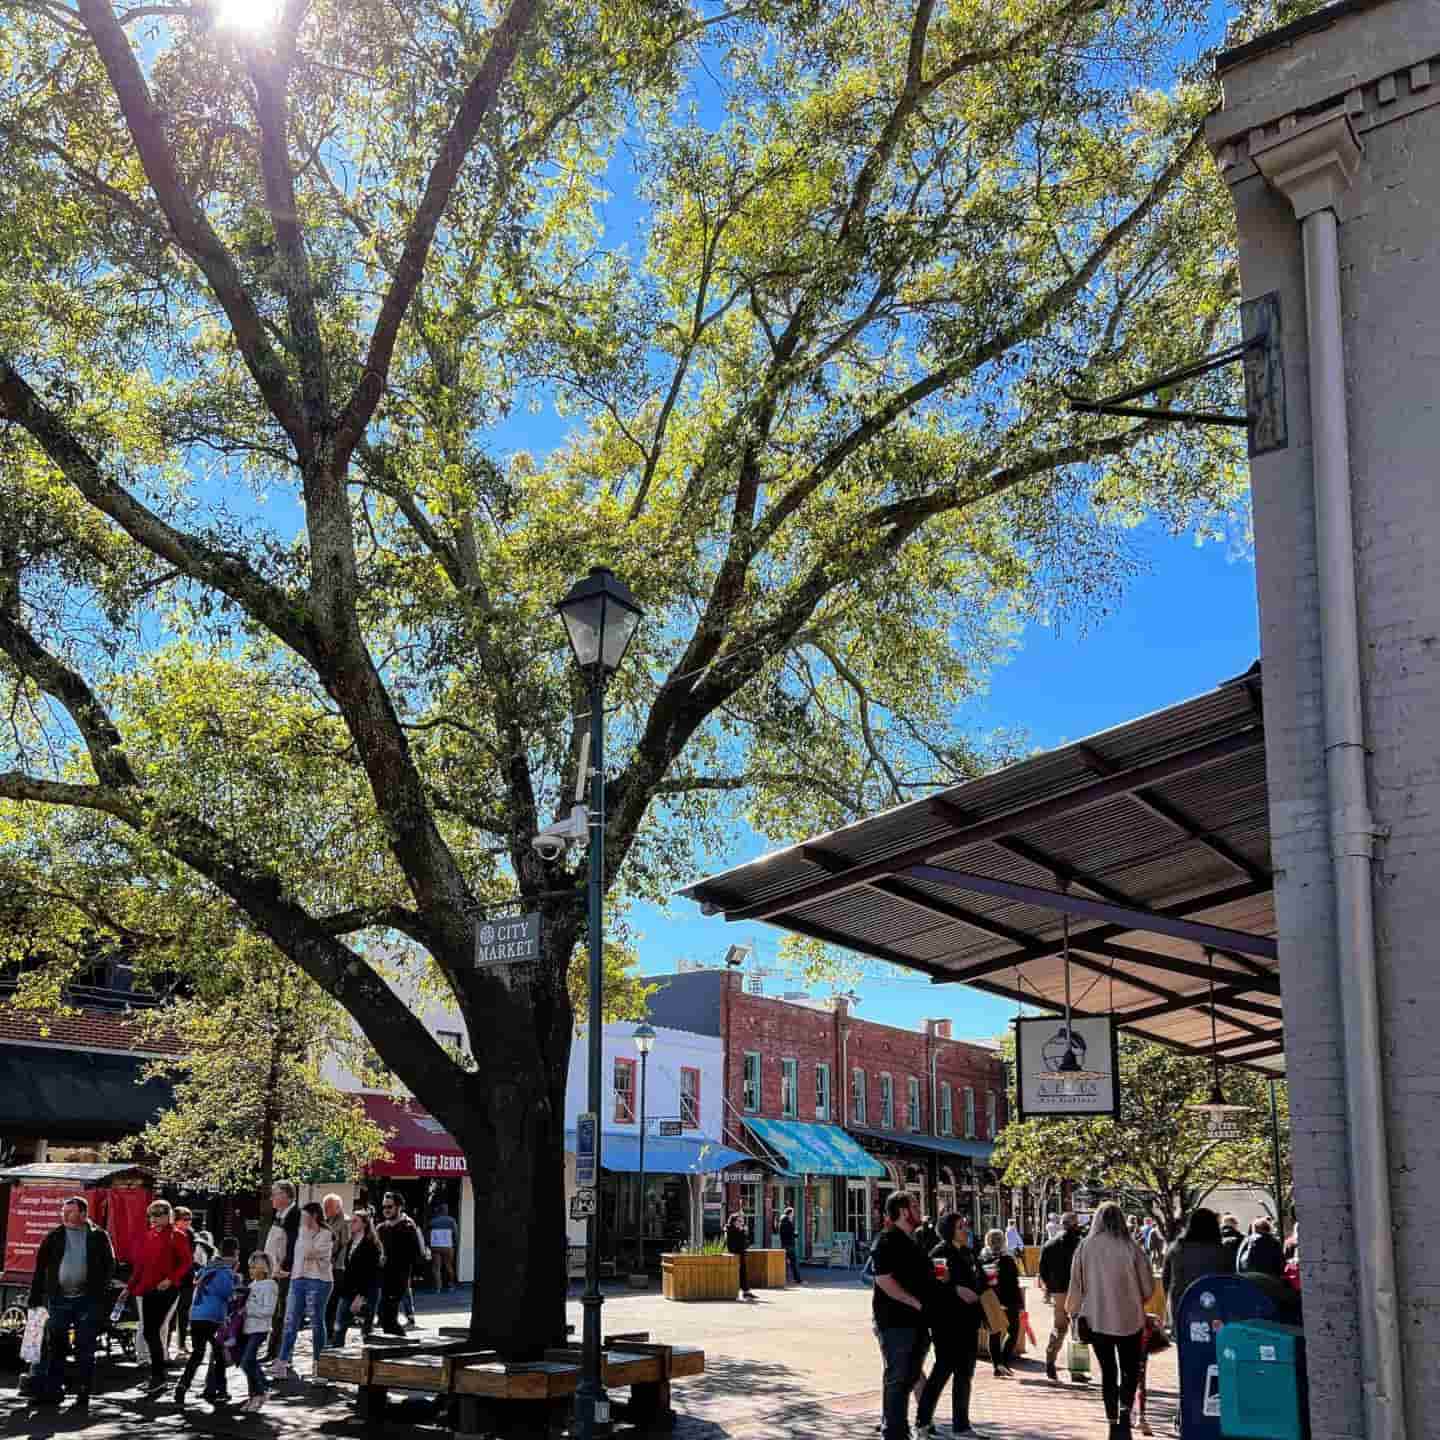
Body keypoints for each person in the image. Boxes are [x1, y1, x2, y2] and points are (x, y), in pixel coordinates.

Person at [1066, 1200, 1155, 1440]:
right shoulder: (1131, 1247)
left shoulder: (1085, 1247)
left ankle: (1112, 1422)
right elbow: (1148, 1287)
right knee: (1129, 1370)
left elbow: (1075, 1284)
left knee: (1108, 1371)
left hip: (1097, 1320)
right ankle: (1125, 1416)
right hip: (1129, 1319)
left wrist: (1072, 1311)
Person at [26, 1196, 116, 1414]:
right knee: (56, 1346)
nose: (64, 1215)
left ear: (84, 1214)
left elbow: (109, 1267)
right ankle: (54, 1390)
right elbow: (40, 1269)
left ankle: (83, 1392)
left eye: (70, 1212)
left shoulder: (98, 1236)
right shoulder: (54, 1236)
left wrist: (99, 1297)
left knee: (85, 1347)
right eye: (63, 1211)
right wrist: (35, 1299)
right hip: (59, 1300)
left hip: (87, 1301)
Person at [914, 1212, 985, 1439]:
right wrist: (955, 1289)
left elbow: (978, 1281)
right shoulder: (940, 1254)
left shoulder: (968, 1253)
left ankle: (961, 1426)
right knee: (941, 1373)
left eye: (965, 1225)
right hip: (947, 1324)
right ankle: (922, 1422)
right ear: (950, 1231)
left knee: (965, 1375)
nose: (966, 1229)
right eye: (961, 1226)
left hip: (969, 1323)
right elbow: (932, 1288)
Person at [871, 1191, 933, 1440]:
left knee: (909, 1375)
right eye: (915, 1205)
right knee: (898, 1377)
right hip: (895, 1321)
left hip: (918, 1321)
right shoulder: (886, 1240)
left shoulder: (913, 1239)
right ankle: (894, 1431)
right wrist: (914, 1303)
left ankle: (901, 1425)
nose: (919, 1209)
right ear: (904, 1211)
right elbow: (884, 1281)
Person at [131, 1199, 193, 1393]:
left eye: (159, 1214)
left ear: (169, 1216)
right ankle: (157, 1376)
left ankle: (158, 1377)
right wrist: (130, 1287)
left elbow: (186, 1262)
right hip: (147, 1289)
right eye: (151, 1214)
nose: (154, 1218)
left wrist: (171, 1279)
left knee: (153, 1331)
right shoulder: (148, 1235)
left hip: (166, 1290)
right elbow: (140, 1265)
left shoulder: (178, 1236)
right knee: (149, 1332)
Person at [175, 1236, 238, 1406]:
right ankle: (222, 1390)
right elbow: (227, 1294)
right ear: (235, 1254)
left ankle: (182, 1386)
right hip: (214, 1318)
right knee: (219, 1354)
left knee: (197, 1354)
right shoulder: (225, 1273)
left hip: (196, 1316)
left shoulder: (206, 1269)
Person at [275, 1202, 334, 1380]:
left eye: (304, 1215)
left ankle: (318, 1364)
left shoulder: (326, 1234)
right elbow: (299, 1256)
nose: (302, 1219)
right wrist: (289, 1272)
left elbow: (310, 1253)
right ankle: (283, 1363)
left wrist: (308, 1232)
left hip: (319, 1280)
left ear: (314, 1215)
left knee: (316, 1322)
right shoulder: (302, 1231)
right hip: (298, 1279)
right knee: (290, 1321)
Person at [1161, 1208, 1233, 1327]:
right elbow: (1229, 1280)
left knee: (1185, 1342)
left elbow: (1166, 1280)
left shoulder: (1176, 1248)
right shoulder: (1222, 1251)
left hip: (1182, 1306)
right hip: (1213, 1307)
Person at [1039, 1210, 1084, 1383]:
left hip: (1058, 1291)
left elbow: (1043, 1269)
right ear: (1073, 1224)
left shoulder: (1050, 1244)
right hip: (1077, 1291)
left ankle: (1050, 1361)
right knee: (1077, 1330)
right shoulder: (1079, 1244)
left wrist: (1049, 1288)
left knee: (1059, 1327)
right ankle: (1077, 1370)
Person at [262, 1182, 301, 1362]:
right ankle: (272, 1351)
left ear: (286, 1195)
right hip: (275, 1272)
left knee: (285, 1314)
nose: (272, 1198)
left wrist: (285, 1268)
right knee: (277, 1313)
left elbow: (293, 1245)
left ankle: (283, 1354)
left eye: (275, 1194)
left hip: (285, 1274)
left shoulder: (295, 1215)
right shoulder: (279, 1214)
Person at [334, 1209, 386, 1344]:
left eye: (355, 1221)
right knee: (339, 1325)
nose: (351, 1223)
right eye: (351, 1221)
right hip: (349, 1290)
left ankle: (368, 1360)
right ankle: (336, 1357)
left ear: (364, 1224)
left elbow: (371, 1273)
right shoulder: (351, 1242)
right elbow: (349, 1269)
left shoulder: (372, 1244)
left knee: (366, 1331)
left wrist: (360, 1296)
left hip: (367, 1292)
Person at [377, 1192, 425, 1334]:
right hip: (383, 1276)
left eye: (390, 1206)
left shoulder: (407, 1227)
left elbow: (415, 1252)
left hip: (399, 1276)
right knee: (384, 1315)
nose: (386, 1209)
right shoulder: (381, 1228)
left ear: (399, 1207)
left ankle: (400, 1342)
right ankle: (392, 1342)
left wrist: (417, 1272)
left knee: (389, 1314)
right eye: (384, 1207)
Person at [238, 1251, 278, 1413]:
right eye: (250, 1267)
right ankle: (254, 1394)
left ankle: (259, 1393)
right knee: (249, 1362)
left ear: (264, 1268)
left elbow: (268, 1311)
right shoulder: (251, 1285)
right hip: (247, 1329)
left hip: (259, 1330)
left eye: (254, 1267)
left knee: (247, 1361)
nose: (251, 1270)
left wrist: (248, 1308)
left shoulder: (270, 1285)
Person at [979, 1228, 1023, 1378]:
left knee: (995, 1333)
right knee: (1013, 1331)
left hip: (991, 1301)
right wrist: (1020, 1304)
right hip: (1009, 1301)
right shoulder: (1008, 1260)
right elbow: (1014, 1283)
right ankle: (1003, 1362)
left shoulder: (982, 1259)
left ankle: (998, 1366)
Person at [322, 1194, 349, 1338]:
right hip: (326, 1267)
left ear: (338, 1208)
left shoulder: (345, 1222)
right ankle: (328, 1332)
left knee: (333, 1302)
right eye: (325, 1206)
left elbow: (345, 1245)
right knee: (327, 1302)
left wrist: (333, 1258)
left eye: (329, 1207)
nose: (325, 1209)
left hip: (338, 1268)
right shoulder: (327, 1221)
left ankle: (332, 1334)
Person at [428, 1202, 458, 1291]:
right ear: (446, 1211)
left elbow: (428, 1234)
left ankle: (438, 1287)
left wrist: (429, 1244)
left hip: (436, 1246)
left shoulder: (433, 1221)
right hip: (448, 1246)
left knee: (436, 1268)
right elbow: (456, 1233)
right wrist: (455, 1243)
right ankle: (451, 1285)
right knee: (449, 1266)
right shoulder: (451, 1220)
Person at [725, 1212, 755, 1300]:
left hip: (740, 1253)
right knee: (740, 1273)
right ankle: (744, 1291)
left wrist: (744, 1232)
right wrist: (742, 1232)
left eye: (742, 1221)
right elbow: (735, 1243)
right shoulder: (731, 1230)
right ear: (734, 1222)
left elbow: (746, 1242)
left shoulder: (737, 1230)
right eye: (739, 1221)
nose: (741, 1223)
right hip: (736, 1254)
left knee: (743, 1273)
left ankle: (746, 1291)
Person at [779, 1205, 802, 1285]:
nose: (793, 1215)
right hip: (790, 1245)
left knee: (784, 1264)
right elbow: (792, 1234)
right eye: (792, 1213)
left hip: (783, 1245)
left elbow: (783, 1234)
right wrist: (795, 1234)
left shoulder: (781, 1222)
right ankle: (797, 1279)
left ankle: (782, 1279)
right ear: (789, 1213)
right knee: (794, 1263)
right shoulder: (788, 1222)